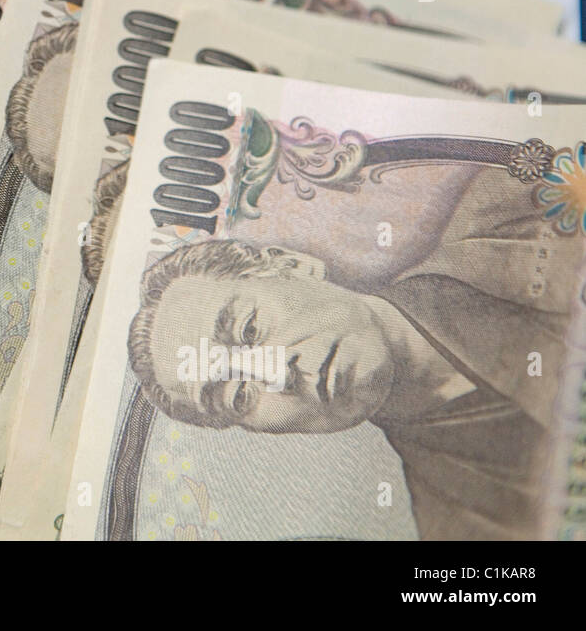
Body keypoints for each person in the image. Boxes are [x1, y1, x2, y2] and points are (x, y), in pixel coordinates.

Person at [127, 168, 582, 539]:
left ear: (292, 266)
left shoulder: (515, 213)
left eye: (249, 330)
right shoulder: (465, 528)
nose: (277, 376)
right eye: (239, 394)